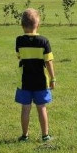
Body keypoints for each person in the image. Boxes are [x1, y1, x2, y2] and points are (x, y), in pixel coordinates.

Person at [15, 8, 56, 142]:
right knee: (41, 108)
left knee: (25, 109)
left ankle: (24, 135)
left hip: (24, 81)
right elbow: (49, 62)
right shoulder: (44, 41)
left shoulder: (19, 41)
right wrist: (53, 78)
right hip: (41, 82)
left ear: (22, 26)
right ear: (38, 25)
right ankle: (45, 135)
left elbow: (19, 57)